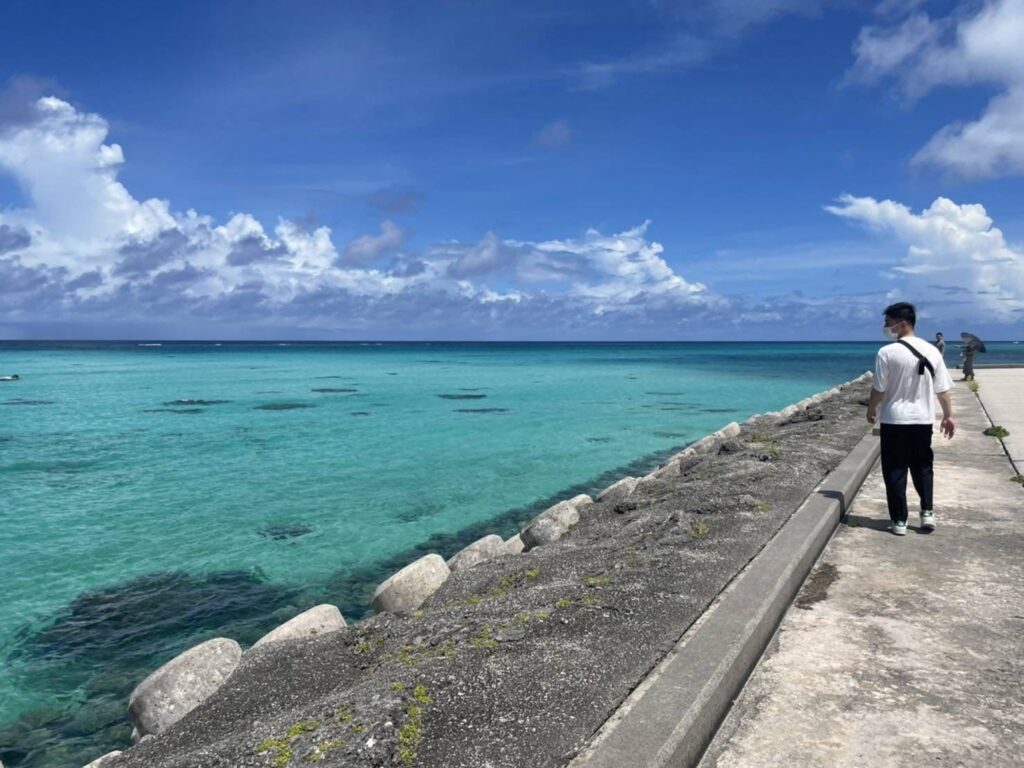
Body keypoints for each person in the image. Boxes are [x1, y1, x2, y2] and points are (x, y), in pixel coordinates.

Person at [866, 302, 955, 536]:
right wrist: (948, 416)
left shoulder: (886, 353)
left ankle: (899, 521)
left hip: (895, 420)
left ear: (902, 323)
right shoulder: (932, 351)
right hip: (923, 420)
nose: (886, 327)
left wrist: (871, 407)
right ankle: (927, 513)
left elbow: (879, 388)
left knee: (895, 470)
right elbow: (942, 390)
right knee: (923, 467)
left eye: (888, 323)